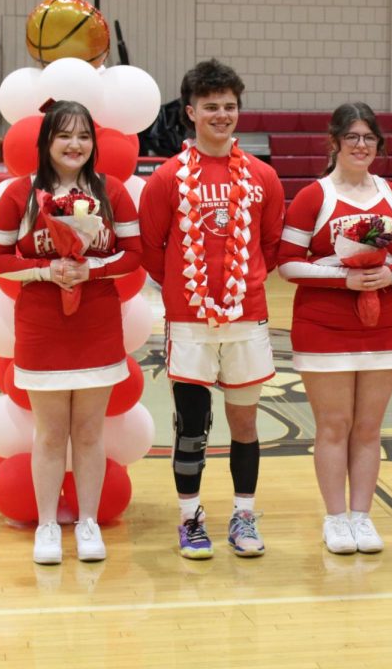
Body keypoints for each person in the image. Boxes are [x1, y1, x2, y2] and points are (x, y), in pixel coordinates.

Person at [140, 59, 285, 560]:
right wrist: (188, 292)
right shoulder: (166, 179)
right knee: (192, 424)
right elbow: (152, 249)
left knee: (245, 425)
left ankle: (243, 515)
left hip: (247, 318)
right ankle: (190, 518)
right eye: (211, 107)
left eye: (229, 106)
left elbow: (270, 245)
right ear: (190, 112)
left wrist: (237, 289)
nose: (222, 115)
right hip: (190, 322)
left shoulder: (264, 176)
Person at [0, 100, 142, 565]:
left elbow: (133, 255)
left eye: (84, 136)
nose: (75, 145)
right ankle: (49, 524)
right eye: (64, 136)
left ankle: (90, 522)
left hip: (96, 323)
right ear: (45, 142)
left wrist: (88, 271)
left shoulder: (112, 191)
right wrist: (44, 271)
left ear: (94, 144)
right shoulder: (19, 194)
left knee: (91, 433)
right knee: (51, 435)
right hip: (41, 326)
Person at [278, 103, 392, 554]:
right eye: (352, 138)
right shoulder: (314, 196)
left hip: (383, 325)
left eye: (368, 138)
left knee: (367, 427)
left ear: (378, 145)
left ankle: (362, 517)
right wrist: (342, 277)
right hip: (323, 326)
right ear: (335, 143)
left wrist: (391, 275)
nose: (361, 146)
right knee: (333, 425)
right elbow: (287, 264)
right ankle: (335, 518)